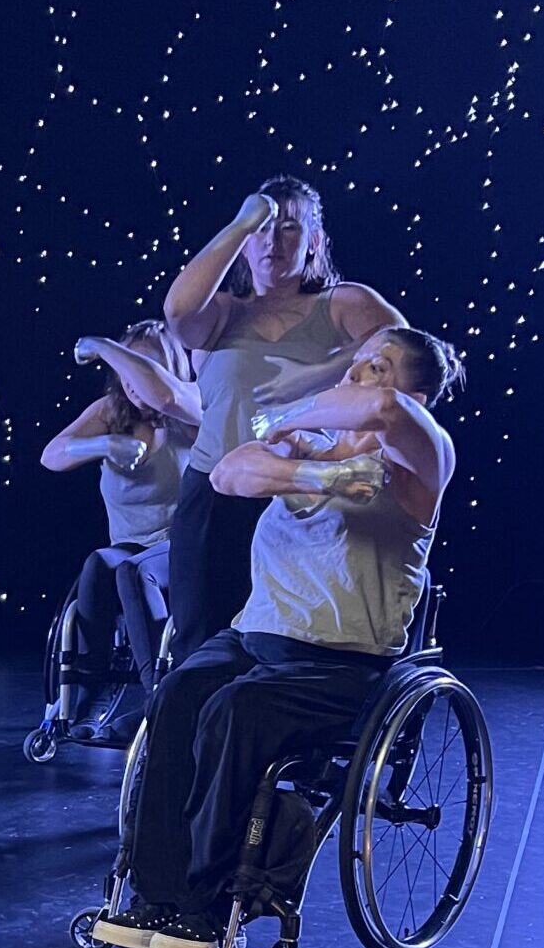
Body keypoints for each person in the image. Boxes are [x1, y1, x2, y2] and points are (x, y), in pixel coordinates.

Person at [94, 327, 463, 948]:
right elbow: (232, 473)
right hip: (254, 635)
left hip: (340, 661)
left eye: (380, 366)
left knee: (235, 713)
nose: (360, 373)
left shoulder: (421, 459)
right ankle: (152, 894)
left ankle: (205, 907)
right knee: (178, 692)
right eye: (359, 361)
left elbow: (381, 411)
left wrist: (297, 414)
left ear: (420, 395)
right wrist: (316, 471)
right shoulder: (313, 445)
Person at [163, 176, 406, 659]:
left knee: (282, 639)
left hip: (306, 497)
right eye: (263, 231)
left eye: (289, 228)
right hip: (216, 492)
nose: (273, 241)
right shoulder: (224, 312)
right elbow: (177, 311)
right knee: (202, 639)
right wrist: (242, 222)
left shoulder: (340, 303)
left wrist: (320, 371)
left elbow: (403, 349)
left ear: (314, 241)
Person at [39, 320, 201, 721]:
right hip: (131, 545)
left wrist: (97, 342)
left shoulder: (190, 407)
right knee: (99, 565)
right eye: (125, 368)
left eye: (143, 369)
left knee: (132, 572)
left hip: (183, 546)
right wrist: (103, 443)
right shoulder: (111, 414)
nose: (133, 381)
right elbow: (52, 455)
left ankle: (159, 698)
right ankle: (93, 686)